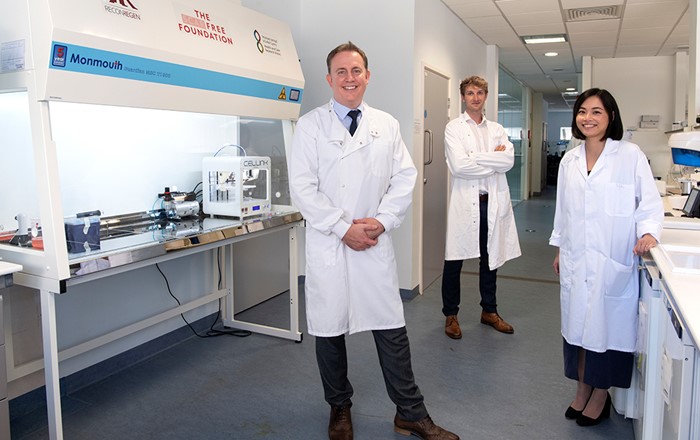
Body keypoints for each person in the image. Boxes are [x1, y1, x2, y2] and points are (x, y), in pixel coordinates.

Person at [289, 41, 459, 440]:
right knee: (329, 331)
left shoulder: (386, 124)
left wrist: (381, 222)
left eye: (357, 70)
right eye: (342, 72)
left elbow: (404, 177)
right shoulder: (311, 126)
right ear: (329, 79)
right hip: (331, 243)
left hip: (371, 238)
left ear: (368, 76)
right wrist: (341, 227)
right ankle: (339, 407)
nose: (350, 78)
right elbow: (302, 188)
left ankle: (411, 412)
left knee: (390, 327)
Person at [549, 88, 663, 426]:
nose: (588, 118)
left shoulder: (630, 155)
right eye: (582, 112)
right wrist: (560, 248)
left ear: (610, 117)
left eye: (596, 112)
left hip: (612, 260)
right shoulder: (570, 160)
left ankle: (601, 393)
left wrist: (648, 232)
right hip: (576, 257)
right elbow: (564, 211)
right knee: (578, 330)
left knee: (606, 330)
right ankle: (583, 388)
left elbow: (649, 202)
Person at [441, 75, 521, 339]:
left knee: (490, 259)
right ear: (463, 96)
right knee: (455, 259)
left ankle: (489, 311)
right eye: (470, 93)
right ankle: (451, 315)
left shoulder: (496, 129)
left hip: (492, 202)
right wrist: (492, 160)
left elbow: (508, 161)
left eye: (480, 93)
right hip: (466, 203)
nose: (475, 97)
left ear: (486, 96)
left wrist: (476, 157)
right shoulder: (453, 128)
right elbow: (460, 167)